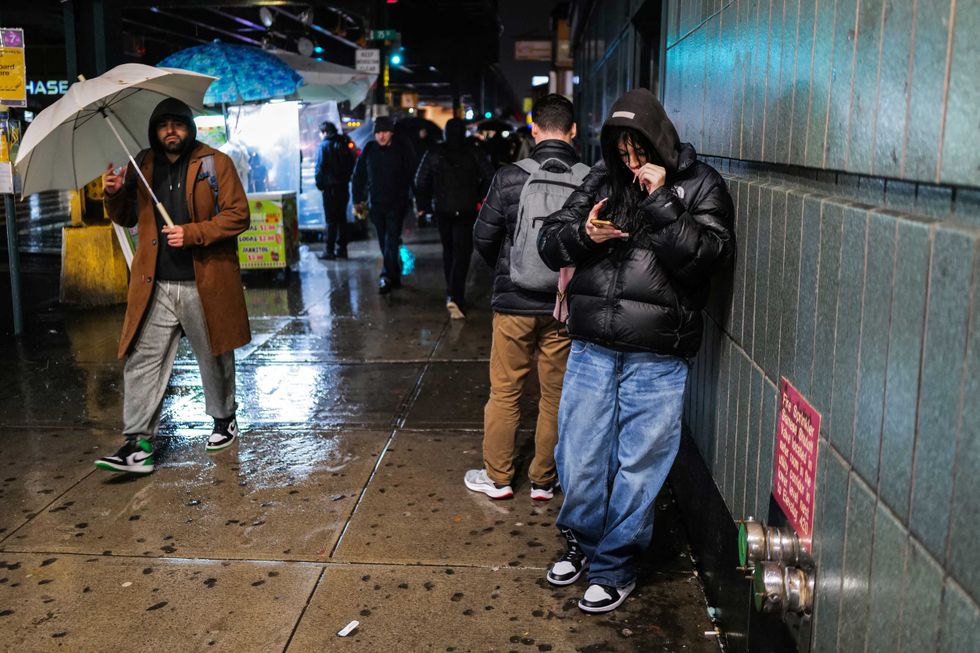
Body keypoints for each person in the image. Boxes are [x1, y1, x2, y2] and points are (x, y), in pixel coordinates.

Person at [537, 88, 735, 613]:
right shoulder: (602, 180)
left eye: (639, 151)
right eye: (622, 152)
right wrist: (585, 233)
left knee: (638, 464)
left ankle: (615, 564)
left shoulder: (702, 186)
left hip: (657, 354)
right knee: (577, 456)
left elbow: (704, 259)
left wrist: (661, 201)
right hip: (591, 347)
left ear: (660, 141)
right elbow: (549, 241)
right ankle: (582, 541)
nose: (631, 162)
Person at [96, 97, 251, 475]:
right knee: (142, 359)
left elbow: (238, 215)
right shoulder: (142, 164)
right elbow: (126, 215)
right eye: (163, 124)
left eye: (178, 124)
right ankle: (138, 443)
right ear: (154, 130)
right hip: (156, 283)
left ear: (189, 127)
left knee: (213, 355)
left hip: (204, 279)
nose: (171, 130)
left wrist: (194, 233)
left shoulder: (215, 163)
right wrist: (115, 192)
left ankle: (222, 419)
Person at [464, 94, 581, 501]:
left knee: (505, 391)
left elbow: (483, 236)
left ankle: (498, 478)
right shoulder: (588, 178)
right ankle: (544, 481)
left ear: (534, 130)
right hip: (563, 306)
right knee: (556, 394)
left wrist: (507, 268)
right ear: (573, 132)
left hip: (513, 303)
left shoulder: (509, 176)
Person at [414, 118, 494, 318]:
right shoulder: (474, 152)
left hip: (442, 209)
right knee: (463, 253)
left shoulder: (434, 153)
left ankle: (452, 292)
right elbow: (491, 176)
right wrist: (478, 193)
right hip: (467, 210)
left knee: (449, 251)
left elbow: (420, 180)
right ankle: (456, 296)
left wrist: (426, 201)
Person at [351, 116, 416, 294]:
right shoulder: (369, 150)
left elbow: (411, 175)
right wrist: (357, 199)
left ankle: (386, 276)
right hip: (376, 204)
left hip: (397, 203)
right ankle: (393, 274)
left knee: (391, 239)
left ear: (391, 133)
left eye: (385, 132)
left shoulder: (401, 150)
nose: (381, 136)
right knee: (383, 240)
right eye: (378, 132)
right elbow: (358, 176)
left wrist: (415, 198)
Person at [314, 121, 356, 260]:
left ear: (325, 132)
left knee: (331, 220)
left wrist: (320, 184)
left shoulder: (324, 145)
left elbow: (319, 167)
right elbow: (352, 162)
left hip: (330, 188)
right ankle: (342, 249)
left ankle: (329, 250)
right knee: (342, 218)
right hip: (343, 186)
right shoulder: (344, 142)